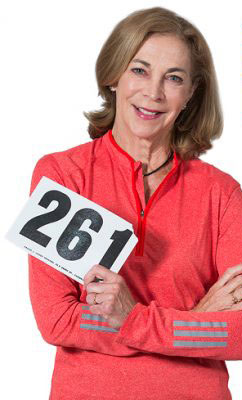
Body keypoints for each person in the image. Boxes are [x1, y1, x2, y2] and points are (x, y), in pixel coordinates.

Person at [28, 6, 242, 400]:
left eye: (174, 78)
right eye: (139, 70)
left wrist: (132, 319)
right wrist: (194, 321)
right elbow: (57, 320)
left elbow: (241, 333)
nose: (154, 93)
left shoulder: (222, 193)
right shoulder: (64, 175)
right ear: (114, 76)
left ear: (192, 92)